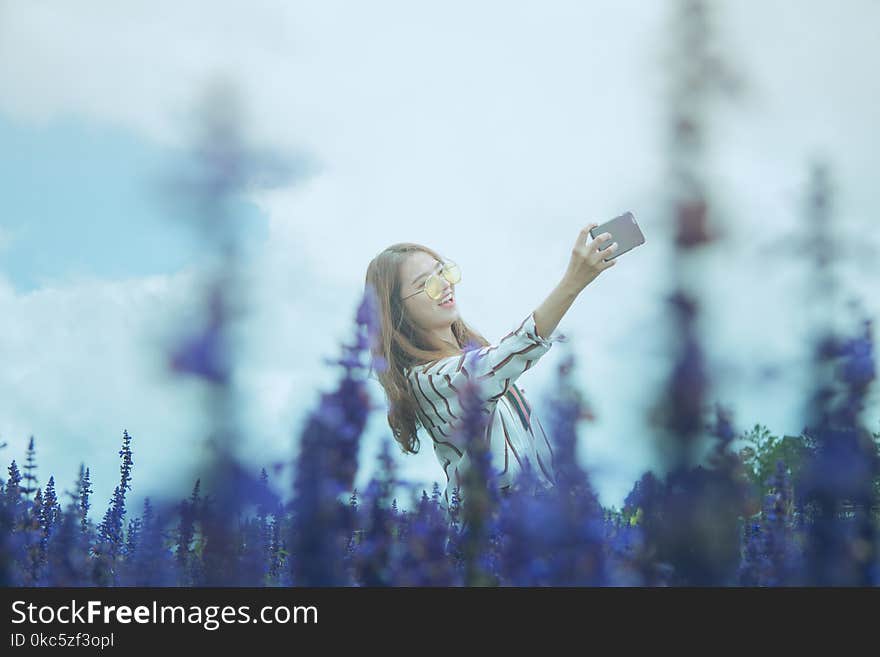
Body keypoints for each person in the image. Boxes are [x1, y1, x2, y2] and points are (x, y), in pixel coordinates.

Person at [363, 223, 618, 519]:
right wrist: (573, 281)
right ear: (398, 311)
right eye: (425, 284)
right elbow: (510, 353)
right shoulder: (431, 379)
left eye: (441, 271)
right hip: (493, 545)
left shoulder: (476, 363)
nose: (444, 284)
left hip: (538, 526)